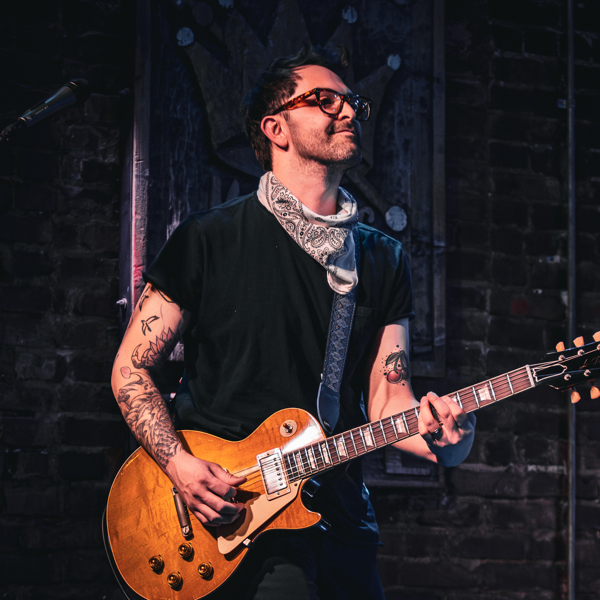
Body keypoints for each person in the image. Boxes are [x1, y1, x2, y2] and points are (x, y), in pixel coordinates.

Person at [111, 46, 476, 600]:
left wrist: (448, 441)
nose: (348, 110)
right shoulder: (209, 238)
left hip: (341, 522)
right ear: (275, 128)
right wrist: (179, 464)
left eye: (352, 102)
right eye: (324, 100)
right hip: (232, 515)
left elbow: (388, 402)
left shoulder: (382, 258)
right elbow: (131, 371)